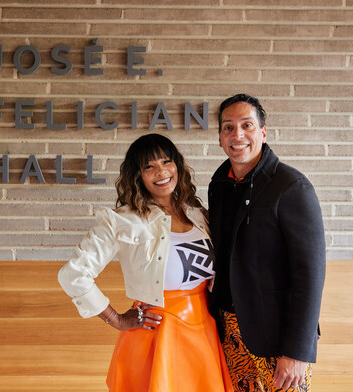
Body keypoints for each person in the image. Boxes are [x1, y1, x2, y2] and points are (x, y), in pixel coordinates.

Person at [58, 133, 233, 392]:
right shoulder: (122, 220)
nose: (161, 171)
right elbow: (73, 274)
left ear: (178, 166)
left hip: (204, 329)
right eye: (149, 166)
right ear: (137, 175)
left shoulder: (196, 212)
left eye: (166, 161)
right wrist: (115, 319)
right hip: (157, 335)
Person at [208, 94, 326, 392]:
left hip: (279, 339)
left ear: (263, 132)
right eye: (228, 127)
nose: (237, 135)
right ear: (220, 137)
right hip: (230, 332)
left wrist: (298, 351)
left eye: (247, 125)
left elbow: (310, 277)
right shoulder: (219, 184)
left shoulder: (291, 186)